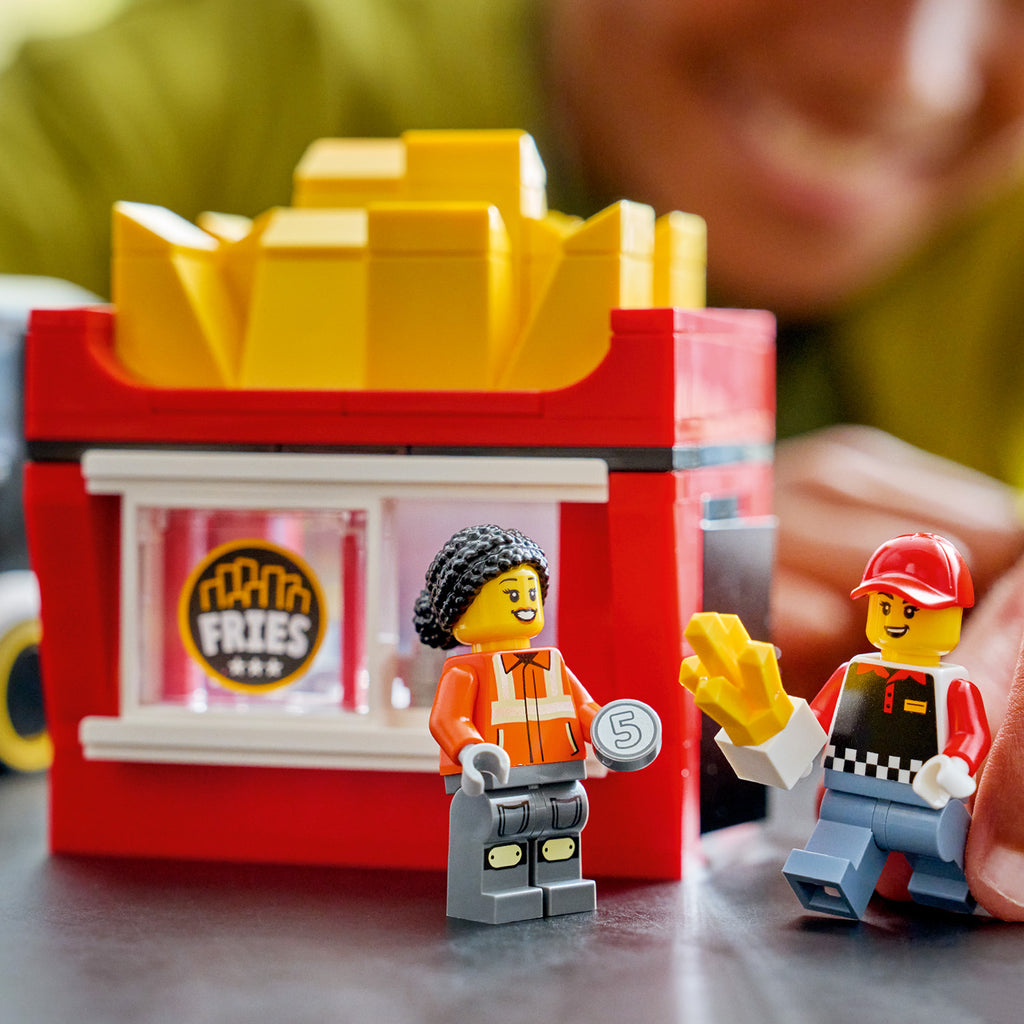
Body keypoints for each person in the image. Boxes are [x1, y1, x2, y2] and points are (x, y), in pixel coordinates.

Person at [2, 0, 1024, 915]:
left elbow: (624, 717)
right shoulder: (188, 95)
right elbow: (469, 724)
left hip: (764, 817)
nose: (912, 74)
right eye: (517, 593)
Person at [414, 524, 660, 923]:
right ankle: (497, 890)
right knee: (501, 831)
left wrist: (606, 729)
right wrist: (471, 749)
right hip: (497, 779)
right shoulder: (465, 671)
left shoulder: (553, 664)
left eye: (531, 592)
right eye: (511, 594)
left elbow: (583, 707)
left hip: (559, 772)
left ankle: (560, 883)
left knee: (561, 824)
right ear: (462, 611)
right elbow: (447, 718)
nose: (525, 603)